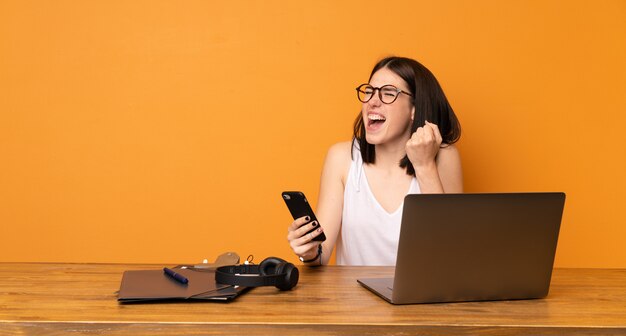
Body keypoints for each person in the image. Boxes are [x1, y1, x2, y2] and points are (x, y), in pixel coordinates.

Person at [287, 56, 462, 266]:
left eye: (388, 93)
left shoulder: (444, 156)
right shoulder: (341, 158)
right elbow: (320, 255)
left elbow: (450, 252)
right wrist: (309, 250)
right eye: (369, 92)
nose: (372, 101)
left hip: (419, 299)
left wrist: (425, 166)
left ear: (414, 109)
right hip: (354, 298)